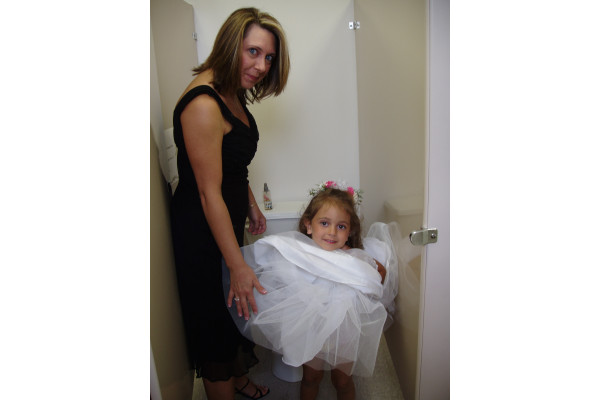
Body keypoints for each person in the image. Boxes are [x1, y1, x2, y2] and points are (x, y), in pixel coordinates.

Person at [169, 7, 290, 400]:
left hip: (224, 220)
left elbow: (231, 164)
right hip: (202, 233)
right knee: (215, 322)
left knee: (233, 309)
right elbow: (208, 192)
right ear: (229, 44)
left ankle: (238, 380)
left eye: (268, 57)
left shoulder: (229, 89)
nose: (262, 66)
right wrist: (238, 265)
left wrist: (251, 205)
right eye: (253, 52)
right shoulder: (204, 104)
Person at [226, 181, 400, 400]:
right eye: (324, 223)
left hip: (344, 331)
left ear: (350, 231)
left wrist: (372, 276)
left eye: (341, 226)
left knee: (343, 380)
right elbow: (275, 267)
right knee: (310, 378)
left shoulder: (354, 257)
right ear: (309, 225)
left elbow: (378, 273)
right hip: (311, 329)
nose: (332, 232)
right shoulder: (300, 253)